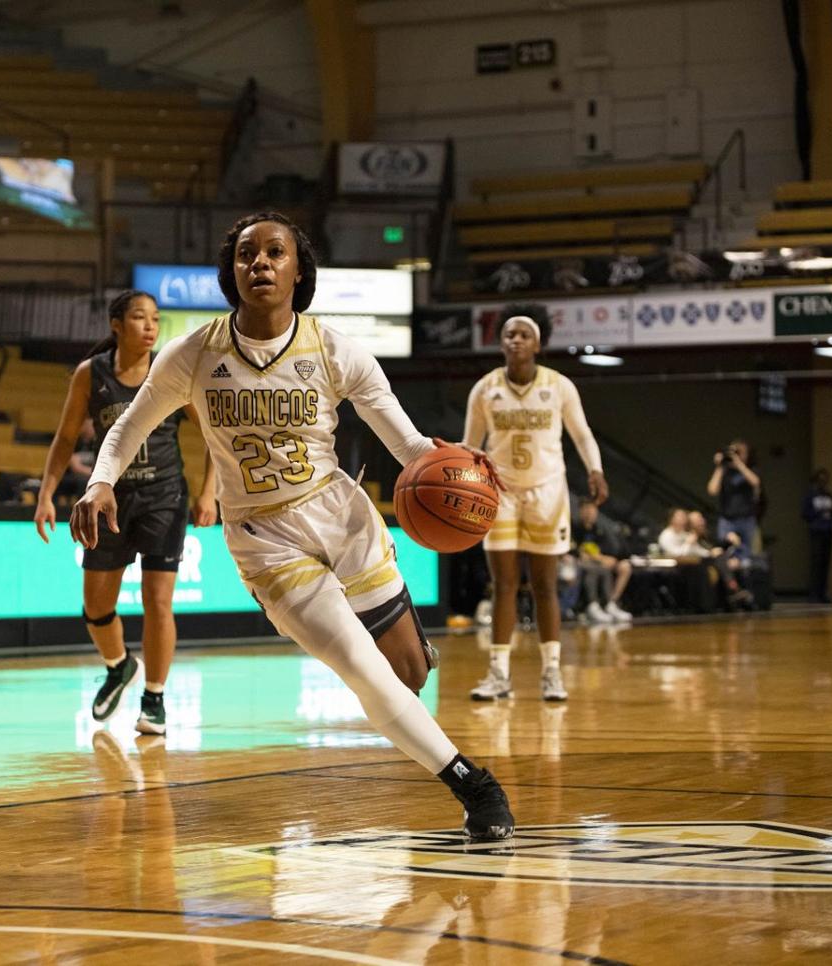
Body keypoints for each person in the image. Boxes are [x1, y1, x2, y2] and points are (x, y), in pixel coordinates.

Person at [70, 212, 514, 841]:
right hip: (264, 539)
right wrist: (99, 482)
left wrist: (459, 468)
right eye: (247, 253)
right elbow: (126, 429)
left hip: (341, 515)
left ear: (298, 270)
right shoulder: (193, 354)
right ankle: (475, 786)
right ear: (231, 272)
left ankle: (407, 651)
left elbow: (409, 444)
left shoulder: (336, 351)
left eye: (275, 252)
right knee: (365, 671)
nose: (260, 263)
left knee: (408, 675)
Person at [36, 289, 217, 737]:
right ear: (116, 324)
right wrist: (45, 495)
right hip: (108, 498)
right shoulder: (89, 374)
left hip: (164, 496)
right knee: (96, 606)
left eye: (156, 318)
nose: (151, 326)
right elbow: (63, 441)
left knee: (158, 600)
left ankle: (153, 698)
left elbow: (216, 433)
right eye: (140, 317)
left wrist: (210, 493)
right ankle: (119, 666)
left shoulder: (170, 369)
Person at [463, 313, 609, 703]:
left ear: (538, 345)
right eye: (509, 334)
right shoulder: (485, 389)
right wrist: (465, 488)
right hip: (501, 492)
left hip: (548, 491)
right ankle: (498, 674)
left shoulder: (559, 386)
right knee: (504, 586)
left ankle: (551, 672)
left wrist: (595, 469)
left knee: (545, 585)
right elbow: (470, 447)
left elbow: (582, 433)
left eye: (524, 335)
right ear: (501, 343)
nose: (516, 340)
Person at [572, 498, 632, 624]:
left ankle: (611, 603)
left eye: (593, 509)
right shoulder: (574, 527)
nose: (590, 512)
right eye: (587, 509)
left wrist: (607, 558)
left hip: (597, 561)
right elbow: (577, 551)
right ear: (581, 510)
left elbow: (610, 549)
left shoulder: (600, 528)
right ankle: (593, 605)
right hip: (578, 562)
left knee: (623, 567)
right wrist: (598, 558)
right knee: (598, 569)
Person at [706, 439, 760, 558]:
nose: (736, 455)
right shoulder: (725, 471)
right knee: (723, 553)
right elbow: (712, 490)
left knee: (746, 555)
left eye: (740, 452)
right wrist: (720, 466)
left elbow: (755, 482)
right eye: (734, 452)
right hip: (727, 519)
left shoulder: (751, 469)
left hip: (747, 519)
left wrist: (738, 464)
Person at [801, 468, 832, 603]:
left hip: (828, 531)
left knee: (826, 563)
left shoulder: (829, 495)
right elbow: (805, 513)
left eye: (825, 479)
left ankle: (823, 593)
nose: (823, 482)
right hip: (816, 530)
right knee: (816, 562)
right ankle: (814, 593)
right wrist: (818, 514)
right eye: (820, 479)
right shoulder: (810, 495)